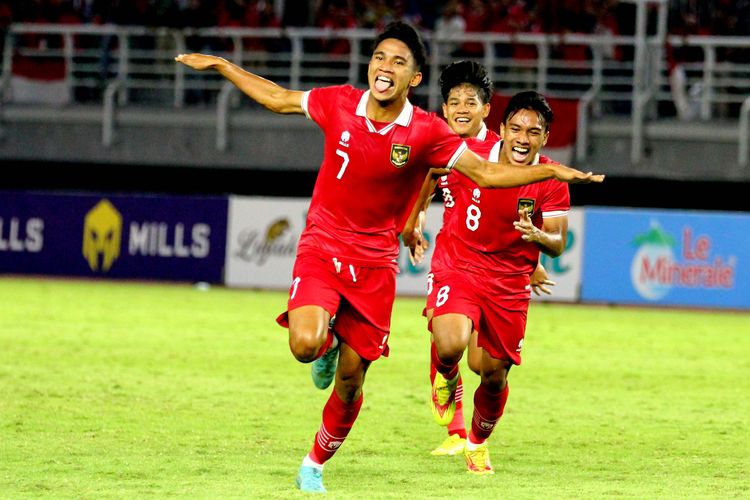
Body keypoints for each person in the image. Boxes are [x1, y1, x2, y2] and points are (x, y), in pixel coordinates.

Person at [175, 22, 602, 494]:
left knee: (357, 381)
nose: (386, 67)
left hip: (376, 264)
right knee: (305, 345)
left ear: (414, 79)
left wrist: (551, 172)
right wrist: (221, 65)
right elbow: (277, 98)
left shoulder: (426, 131)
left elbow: (483, 172)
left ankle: (314, 463)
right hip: (324, 243)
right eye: (380, 57)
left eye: (399, 62)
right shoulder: (338, 101)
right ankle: (329, 346)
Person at [408, 90, 571, 475]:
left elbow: (559, 241)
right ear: (501, 129)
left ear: (544, 137)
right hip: (459, 264)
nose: (523, 138)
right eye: (516, 128)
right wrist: (413, 219)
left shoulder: (551, 179)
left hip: (509, 282)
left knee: (491, 373)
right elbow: (429, 171)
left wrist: (539, 240)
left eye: (533, 131)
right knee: (450, 344)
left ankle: (477, 443)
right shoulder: (473, 155)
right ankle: (446, 378)